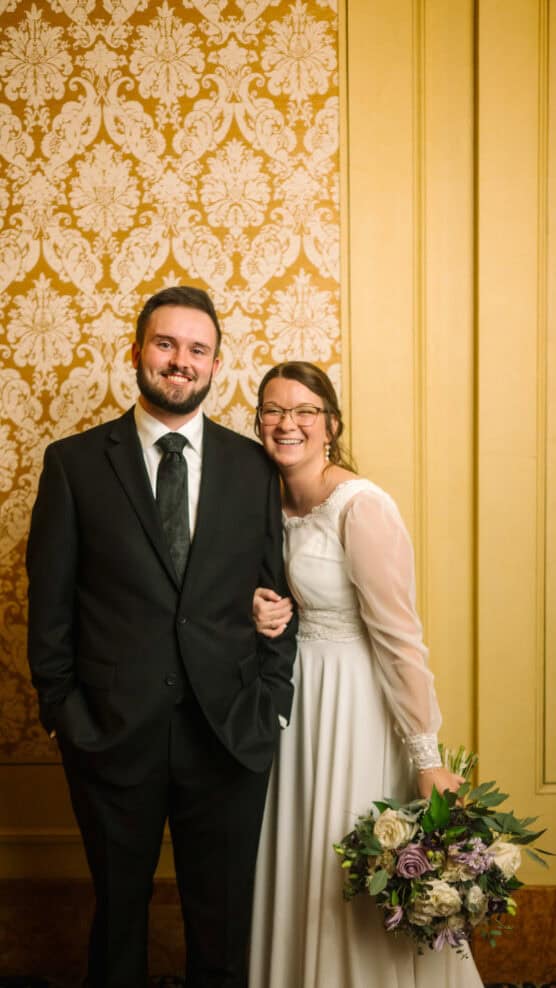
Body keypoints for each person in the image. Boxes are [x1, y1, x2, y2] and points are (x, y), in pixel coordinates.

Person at [26, 286, 298, 988]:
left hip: (230, 732)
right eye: (166, 344)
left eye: (197, 349)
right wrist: (67, 714)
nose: (181, 361)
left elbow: (277, 593)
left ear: (216, 365)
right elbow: (49, 606)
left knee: (222, 922)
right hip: (111, 736)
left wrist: (271, 697)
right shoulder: (75, 464)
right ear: (138, 350)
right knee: (119, 916)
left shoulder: (252, 467)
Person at [248, 361, 484, 987]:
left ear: (330, 424)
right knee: (301, 860)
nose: (287, 423)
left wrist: (426, 756)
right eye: (273, 410)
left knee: (346, 867)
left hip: (354, 704)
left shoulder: (361, 506)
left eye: (303, 411)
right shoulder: (263, 502)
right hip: (293, 703)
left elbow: (400, 637)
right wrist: (258, 608)